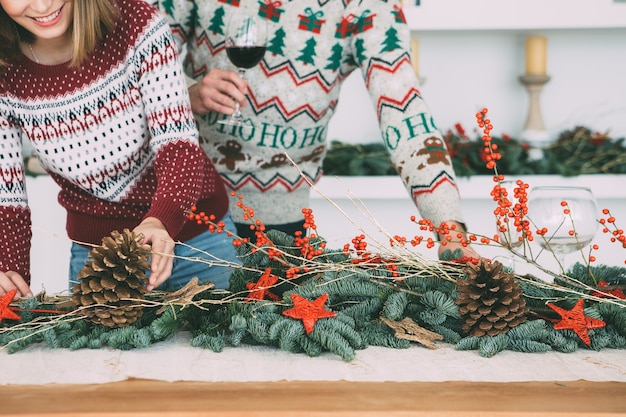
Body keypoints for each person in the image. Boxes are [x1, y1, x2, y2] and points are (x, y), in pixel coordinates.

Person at [152, 0, 479, 258]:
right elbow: (139, 55)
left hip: (281, 225)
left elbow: (405, 111)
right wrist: (187, 92)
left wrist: (447, 225)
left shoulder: (366, 7)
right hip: (178, 204)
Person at [0, 0, 240, 299]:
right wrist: (9, 271)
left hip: (199, 241)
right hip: (101, 261)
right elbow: (6, 198)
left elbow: (177, 142)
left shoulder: (135, 21)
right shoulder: (5, 74)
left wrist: (160, 219)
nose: (41, 4)